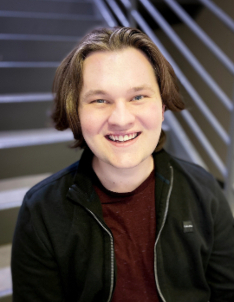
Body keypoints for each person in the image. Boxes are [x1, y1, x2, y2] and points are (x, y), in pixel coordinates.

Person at [11, 27, 234, 302]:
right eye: (100, 100)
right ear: (76, 113)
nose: (120, 119)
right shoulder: (42, 210)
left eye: (138, 96)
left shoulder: (206, 192)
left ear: (162, 106)